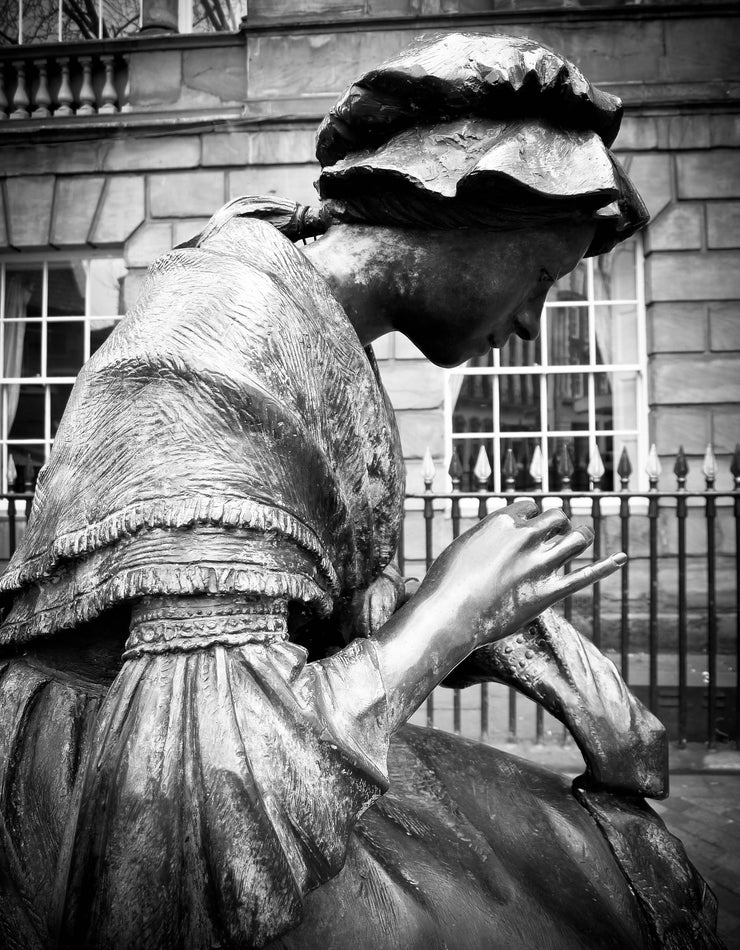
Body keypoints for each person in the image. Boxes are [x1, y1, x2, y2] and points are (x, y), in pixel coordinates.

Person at [0, 32, 723, 950]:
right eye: (542, 275)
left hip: (248, 726)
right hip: (129, 781)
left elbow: (308, 606)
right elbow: (192, 808)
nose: (535, 324)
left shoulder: (312, 316)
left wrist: (542, 656)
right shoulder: (224, 342)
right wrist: (446, 619)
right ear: (463, 210)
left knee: (604, 868)